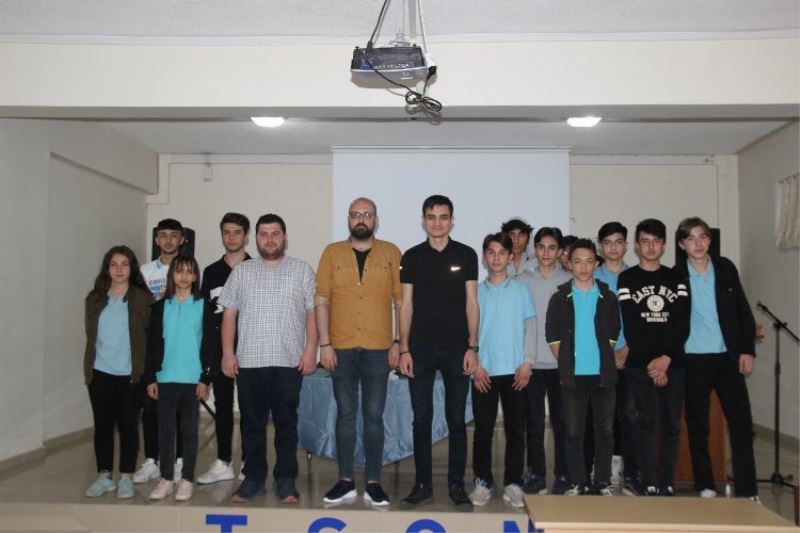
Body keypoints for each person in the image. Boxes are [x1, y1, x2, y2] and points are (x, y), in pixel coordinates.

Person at [219, 213, 318, 503]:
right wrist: (227, 353)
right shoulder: (241, 272)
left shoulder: (302, 270)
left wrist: (311, 349)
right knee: (251, 426)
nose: (270, 239)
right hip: (249, 362)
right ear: (256, 239)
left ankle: (286, 480)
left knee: (287, 425)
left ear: (285, 237)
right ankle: (253, 479)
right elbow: (229, 315)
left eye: (275, 234)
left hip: (289, 362)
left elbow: (312, 313)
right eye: (264, 234)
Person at [316, 198, 402, 507]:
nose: (361, 219)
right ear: (348, 219)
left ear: (376, 220)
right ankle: (345, 481)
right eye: (355, 214)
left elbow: (401, 302)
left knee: (374, 416)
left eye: (367, 214)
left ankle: (374, 482)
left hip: (379, 349)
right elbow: (322, 299)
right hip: (340, 348)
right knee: (345, 415)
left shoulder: (391, 253)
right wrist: (324, 344)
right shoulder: (332, 253)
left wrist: (399, 342)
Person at [398, 195, 479, 512]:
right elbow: (406, 306)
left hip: (457, 349)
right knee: (421, 419)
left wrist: (472, 346)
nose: (437, 223)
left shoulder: (466, 255)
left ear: (452, 220)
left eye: (443, 217)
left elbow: (472, 304)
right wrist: (404, 348)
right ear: (423, 220)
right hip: (419, 350)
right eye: (431, 217)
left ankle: (457, 486)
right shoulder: (411, 257)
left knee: (456, 420)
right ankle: (422, 486)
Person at [676, 217, 759, 501]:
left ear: (710, 240)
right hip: (693, 360)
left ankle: (748, 491)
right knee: (698, 425)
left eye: (703, 237)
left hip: (727, 358)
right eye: (691, 239)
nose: (698, 243)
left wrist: (747, 350)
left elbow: (743, 311)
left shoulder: (725, 268)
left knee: (741, 424)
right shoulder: (676, 274)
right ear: (682, 244)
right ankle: (705, 485)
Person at [617, 219, 690, 497]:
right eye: (645, 241)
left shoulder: (677, 278)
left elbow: (681, 322)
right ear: (637, 246)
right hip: (640, 364)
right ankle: (647, 479)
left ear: (664, 245)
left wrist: (666, 358)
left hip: (673, 364)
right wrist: (653, 364)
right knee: (645, 422)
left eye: (656, 241)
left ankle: (666, 481)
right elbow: (632, 324)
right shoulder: (627, 279)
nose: (650, 247)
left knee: (671, 424)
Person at [546, 239, 621, 496]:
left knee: (605, 431)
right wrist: (566, 361)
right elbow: (552, 334)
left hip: (603, 375)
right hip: (573, 376)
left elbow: (614, 331)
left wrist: (604, 356)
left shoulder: (608, 297)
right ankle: (577, 481)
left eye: (589, 261)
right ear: (569, 264)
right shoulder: (560, 297)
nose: (583, 266)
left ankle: (602, 481)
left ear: (596, 264)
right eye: (577, 261)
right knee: (573, 432)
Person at [143, 255, 219, 501]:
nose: (184, 276)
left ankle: (186, 478)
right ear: (171, 275)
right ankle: (166, 478)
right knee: (165, 429)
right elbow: (152, 346)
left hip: (192, 379)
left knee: (189, 430)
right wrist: (151, 377)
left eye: (189, 271)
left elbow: (210, 345)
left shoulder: (203, 306)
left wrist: (205, 379)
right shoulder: (159, 308)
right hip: (165, 378)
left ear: (195, 276)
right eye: (179, 271)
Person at [468, 233, 534, 509]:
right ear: (485, 257)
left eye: (502, 253)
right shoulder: (475, 292)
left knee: (516, 430)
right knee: (483, 430)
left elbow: (531, 327)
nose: (496, 258)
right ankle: (483, 481)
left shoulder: (521, 290)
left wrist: (527, 362)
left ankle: (513, 483)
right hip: (484, 372)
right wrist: (476, 367)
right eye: (491, 252)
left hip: (516, 371)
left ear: (509, 256)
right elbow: (467, 332)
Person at [83, 245, 154, 499]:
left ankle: (126, 476)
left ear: (131, 268)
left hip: (130, 375)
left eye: (124, 264)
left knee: (128, 425)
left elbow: (151, 338)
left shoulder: (144, 299)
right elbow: (91, 334)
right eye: (114, 264)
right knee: (102, 426)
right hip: (100, 372)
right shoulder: (94, 298)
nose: (119, 269)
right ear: (107, 268)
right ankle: (104, 476)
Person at [197, 212, 251, 485]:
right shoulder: (211, 272)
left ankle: (250, 462)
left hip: (251, 348)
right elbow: (206, 316)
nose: (231, 237)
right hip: (220, 350)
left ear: (246, 236)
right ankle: (223, 461)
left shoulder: (257, 268)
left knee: (251, 406)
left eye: (237, 232)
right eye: (226, 232)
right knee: (223, 405)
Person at [517, 227, 572, 495]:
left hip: (561, 365)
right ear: (535, 249)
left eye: (552, 247)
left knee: (562, 423)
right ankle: (537, 474)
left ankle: (563, 474)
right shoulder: (522, 280)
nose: (546, 253)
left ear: (560, 251)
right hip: (532, 364)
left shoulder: (570, 280)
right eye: (541, 247)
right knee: (534, 423)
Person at [134, 217, 186, 483]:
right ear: (156, 240)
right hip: (151, 345)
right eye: (163, 235)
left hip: (180, 346)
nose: (168, 240)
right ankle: (151, 460)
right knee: (151, 405)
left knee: (180, 408)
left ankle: (179, 460)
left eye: (173, 235)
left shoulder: (188, 269)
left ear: (182, 239)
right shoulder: (143, 272)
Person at [594, 222, 633, 490]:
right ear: (600, 247)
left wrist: (626, 348)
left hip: (630, 355)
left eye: (618, 242)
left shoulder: (637, 276)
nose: (613, 248)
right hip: (598, 356)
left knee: (626, 414)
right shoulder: (591, 277)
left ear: (626, 245)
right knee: (599, 414)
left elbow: (639, 320)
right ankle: (599, 463)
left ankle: (620, 462)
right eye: (607, 243)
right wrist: (608, 351)